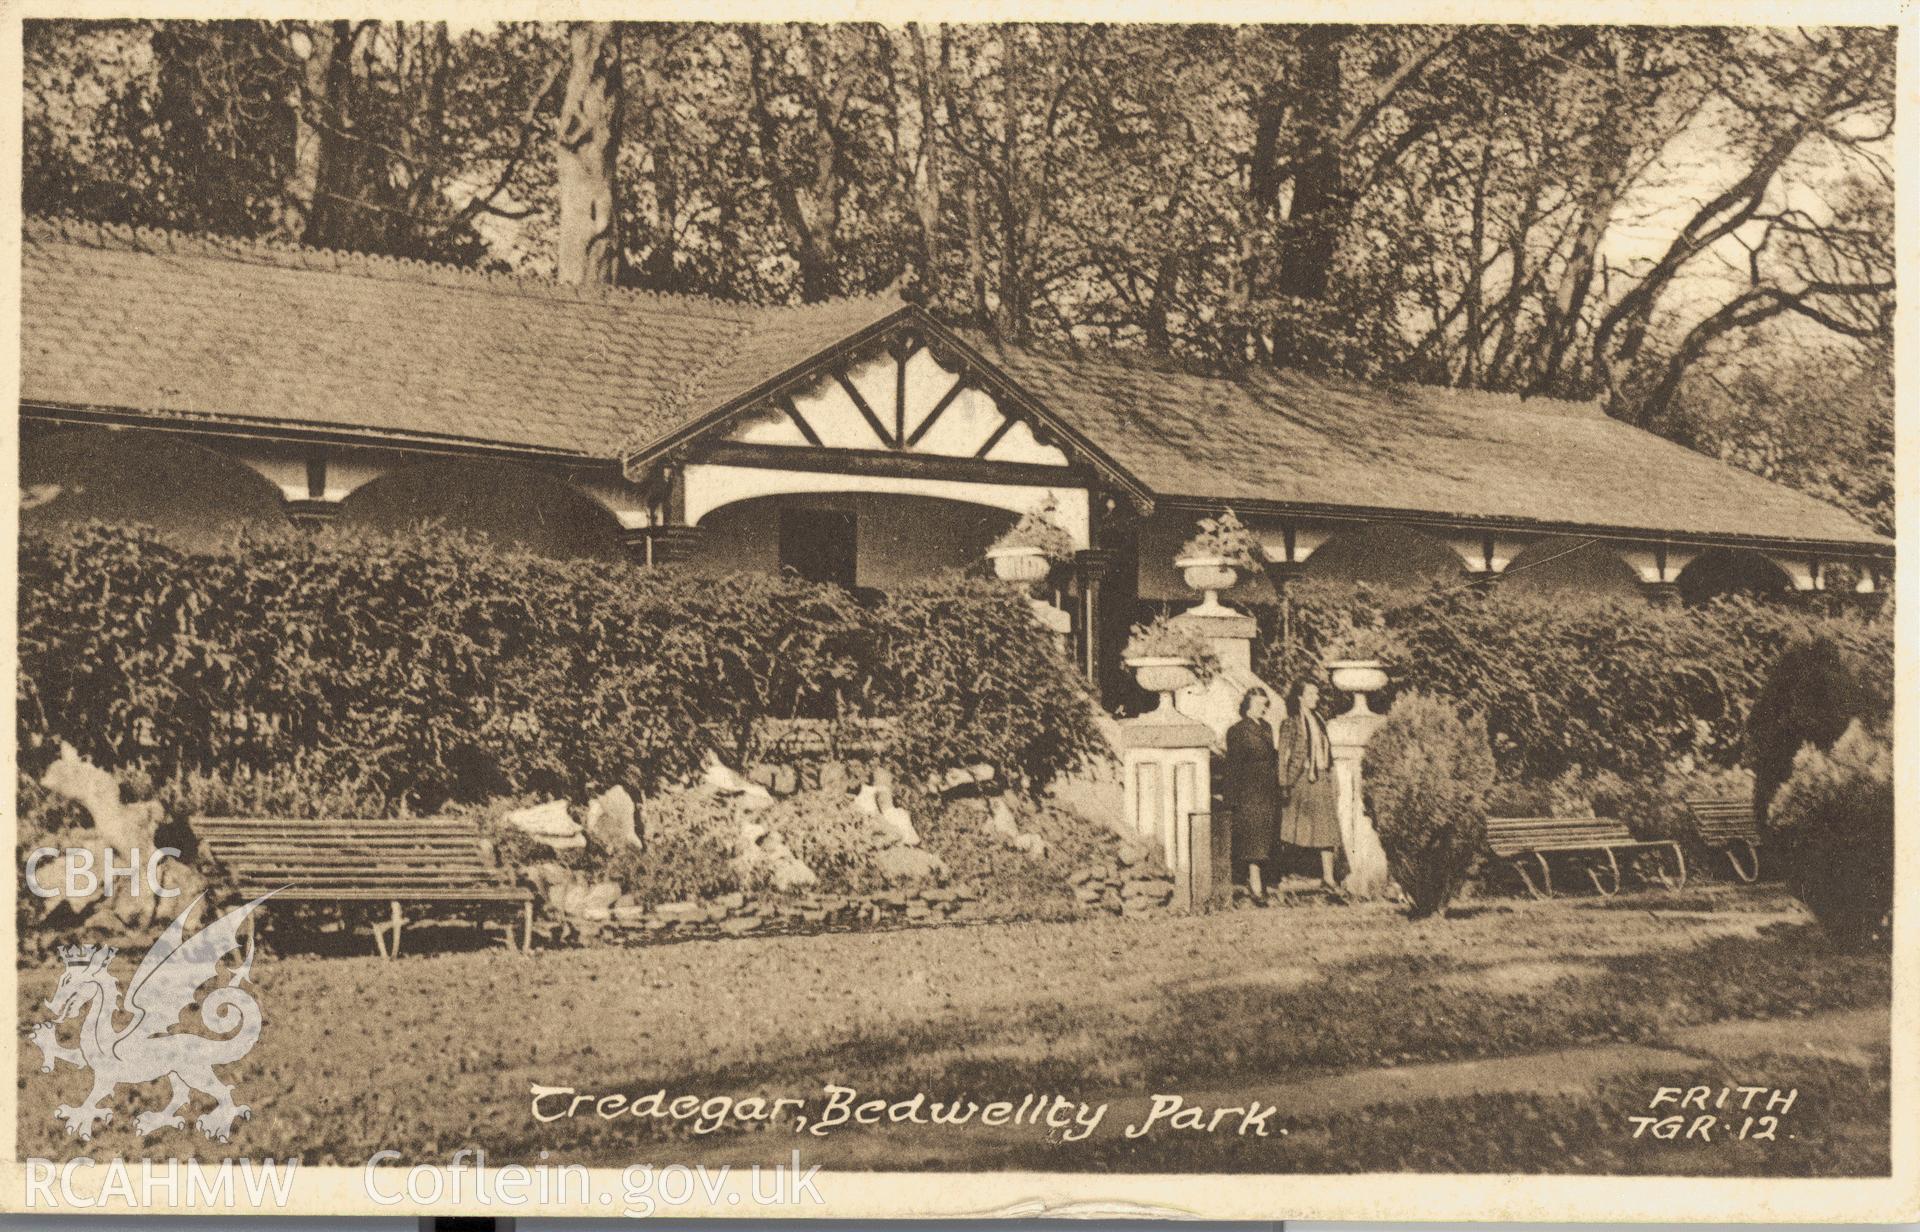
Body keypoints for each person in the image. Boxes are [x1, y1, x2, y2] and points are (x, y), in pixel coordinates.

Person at [1278, 678, 1341, 890]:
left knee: (1326, 829)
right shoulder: (1291, 722)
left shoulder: (1320, 720)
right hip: (1301, 779)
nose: (1317, 697)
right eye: (1311, 694)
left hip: (1320, 777)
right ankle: (1288, 874)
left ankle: (1328, 877)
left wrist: (1332, 777)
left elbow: (1327, 752)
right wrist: (1284, 783)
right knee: (1296, 830)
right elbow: (1283, 757)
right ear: (1300, 697)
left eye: (1317, 694)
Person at [1224, 686, 1281, 899]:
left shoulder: (1266, 727)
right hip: (1249, 789)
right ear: (1247, 705)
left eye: (1265, 705)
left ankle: (1261, 881)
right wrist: (1231, 797)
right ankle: (1255, 884)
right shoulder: (1237, 730)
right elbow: (1233, 765)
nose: (1263, 709)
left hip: (1268, 789)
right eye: (1258, 704)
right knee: (1253, 838)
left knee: (1265, 836)